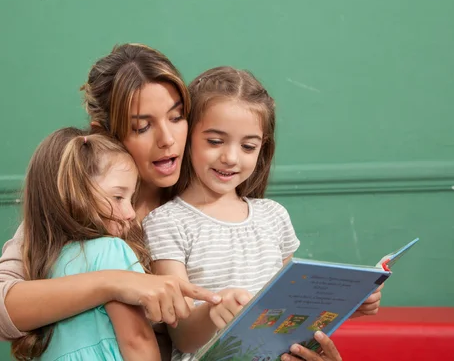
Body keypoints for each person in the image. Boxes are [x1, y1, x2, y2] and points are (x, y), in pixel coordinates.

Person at [0, 44, 381, 361]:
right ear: (105, 133)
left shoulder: (210, 198)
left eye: (177, 116)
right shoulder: (80, 208)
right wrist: (116, 281)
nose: (167, 139)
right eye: (142, 126)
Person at [143, 66, 383, 361]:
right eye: (215, 141)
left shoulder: (273, 216)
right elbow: (182, 336)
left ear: (262, 149)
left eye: (247, 146)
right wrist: (212, 312)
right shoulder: (167, 222)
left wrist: (346, 304)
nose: (230, 157)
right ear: (188, 136)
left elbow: (294, 308)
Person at [10, 129, 159, 360]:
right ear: (75, 193)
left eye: (132, 199)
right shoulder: (113, 251)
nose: (130, 213)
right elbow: (138, 340)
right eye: (118, 197)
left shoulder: (44, 261)